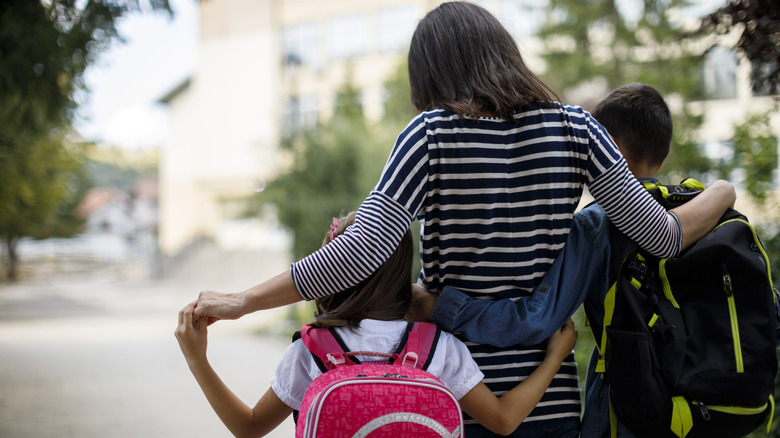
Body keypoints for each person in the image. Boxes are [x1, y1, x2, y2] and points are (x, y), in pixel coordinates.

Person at [192, 3, 735, 436]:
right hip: (550, 400)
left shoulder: (430, 135)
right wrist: (723, 190)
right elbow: (664, 237)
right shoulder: (577, 129)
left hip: (451, 395)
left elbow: (360, 251)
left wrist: (242, 301)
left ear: (431, 74)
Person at [407, 83, 688, 437]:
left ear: (610, 148)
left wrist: (436, 307)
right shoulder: (691, 212)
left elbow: (535, 318)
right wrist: (725, 190)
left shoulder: (598, 227)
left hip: (627, 410)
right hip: (695, 406)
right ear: (663, 154)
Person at [176, 212, 578, 437]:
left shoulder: (312, 351)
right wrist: (554, 357)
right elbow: (504, 421)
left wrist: (198, 360)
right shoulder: (439, 347)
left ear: (329, 270)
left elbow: (248, 430)